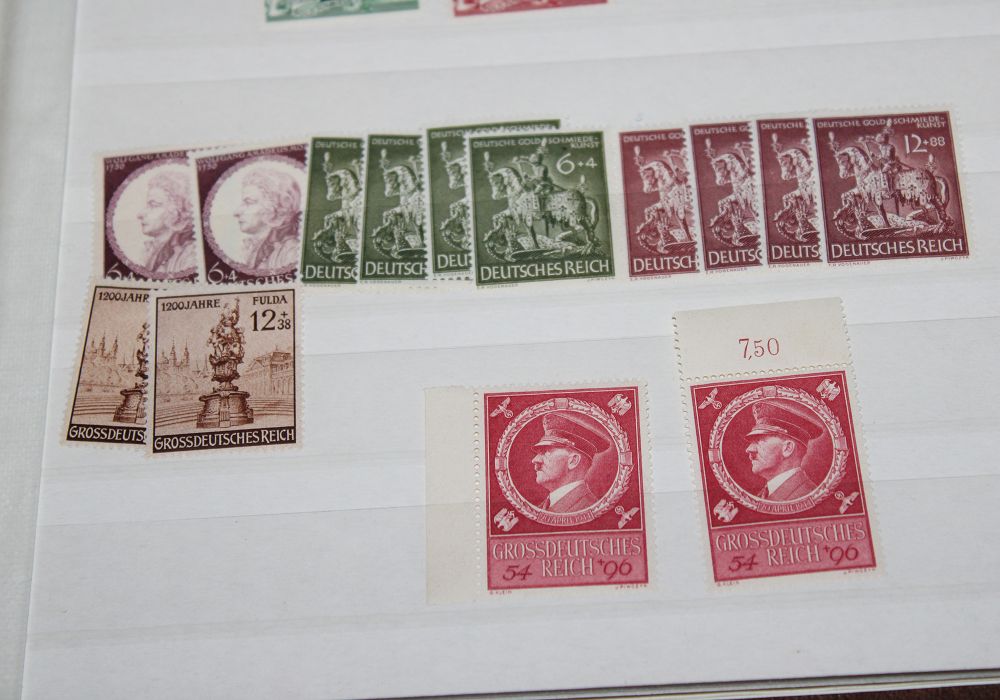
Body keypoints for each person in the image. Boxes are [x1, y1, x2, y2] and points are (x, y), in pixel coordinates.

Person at [530, 410, 610, 513]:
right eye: (539, 453)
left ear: (573, 461)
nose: (535, 460)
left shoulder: (587, 508)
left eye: (546, 452)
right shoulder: (542, 507)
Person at [744, 399, 824, 501]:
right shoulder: (764, 494)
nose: (749, 449)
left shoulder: (806, 495)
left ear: (787, 448)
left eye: (760, 441)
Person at [233, 167, 302, 273]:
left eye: (249, 202)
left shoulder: (291, 252)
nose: (236, 212)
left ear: (275, 206)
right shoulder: (253, 248)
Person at [137, 169, 197, 276]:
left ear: (177, 210)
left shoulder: (190, 254)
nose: (140, 214)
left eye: (153, 205)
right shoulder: (147, 251)